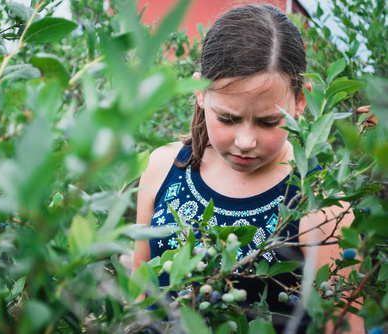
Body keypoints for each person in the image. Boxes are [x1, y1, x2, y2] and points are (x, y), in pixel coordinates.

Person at [133, 4, 364, 334]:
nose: (245, 141)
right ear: (199, 92)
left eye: (268, 121)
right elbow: (139, 293)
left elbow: (342, 326)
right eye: (228, 118)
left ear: (301, 101)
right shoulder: (163, 167)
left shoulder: (321, 202)